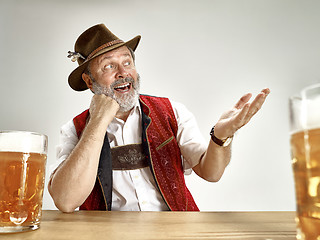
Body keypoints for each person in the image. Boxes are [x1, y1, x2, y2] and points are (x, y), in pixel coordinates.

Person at [48, 23, 270, 213]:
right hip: (109, 234)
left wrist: (222, 136)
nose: (123, 73)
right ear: (89, 81)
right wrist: (97, 122)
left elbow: (211, 173)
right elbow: (66, 201)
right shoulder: (74, 129)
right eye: (109, 66)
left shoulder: (171, 111)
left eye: (127, 62)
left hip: (176, 231)